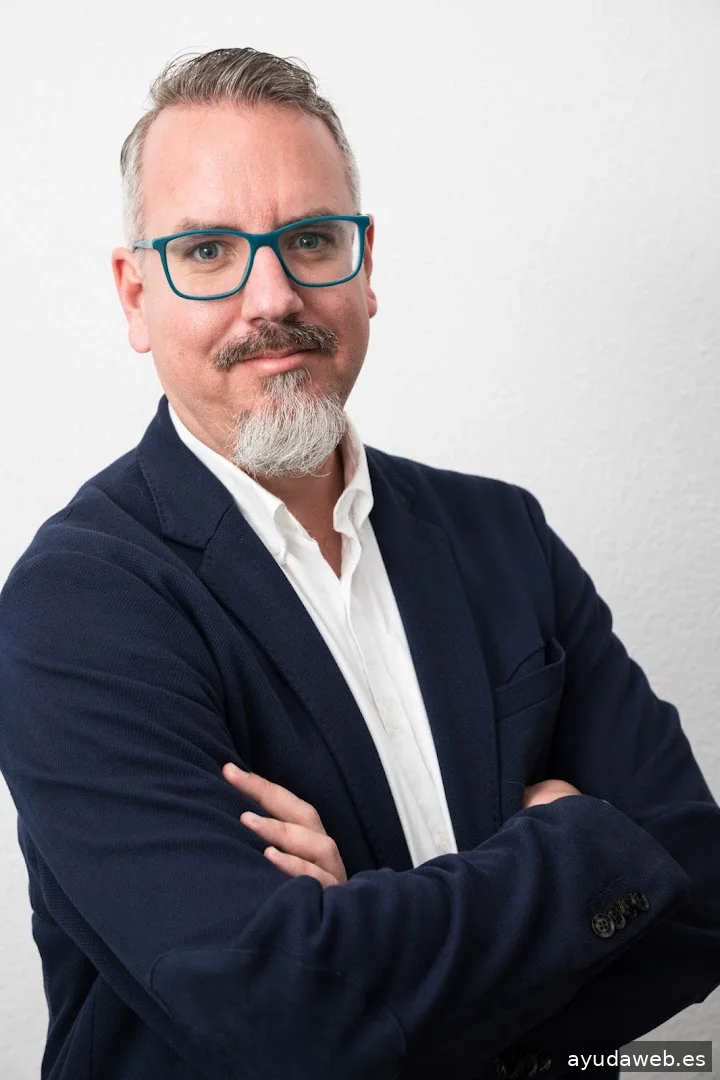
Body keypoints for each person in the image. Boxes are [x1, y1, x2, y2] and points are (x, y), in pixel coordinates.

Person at [0, 46, 718, 1080]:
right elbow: (276, 1008)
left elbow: (699, 889)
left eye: (310, 239)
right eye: (208, 250)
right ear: (134, 294)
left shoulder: (502, 534)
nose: (272, 297)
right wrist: (585, 845)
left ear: (365, 265)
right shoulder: (78, 605)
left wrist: (362, 948)